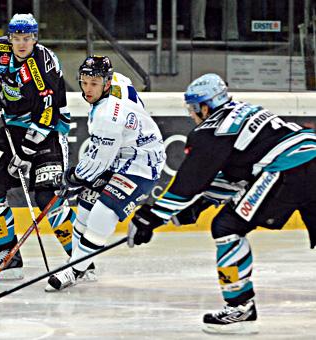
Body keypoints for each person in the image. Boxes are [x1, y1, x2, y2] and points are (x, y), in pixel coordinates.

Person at [128, 73, 316, 334]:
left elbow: (188, 183)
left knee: (227, 226)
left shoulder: (211, 129)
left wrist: (150, 217)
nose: (193, 115)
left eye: (193, 109)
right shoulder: (245, 111)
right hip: (310, 152)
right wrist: (196, 207)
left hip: (289, 167)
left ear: (204, 106)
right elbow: (233, 176)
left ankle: (240, 307)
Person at [0, 13, 76, 279]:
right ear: (9, 37)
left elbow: (47, 115)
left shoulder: (42, 66)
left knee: (47, 196)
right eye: (17, 38)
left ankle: (79, 258)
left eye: (27, 38)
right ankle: (8, 252)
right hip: (13, 126)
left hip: (48, 130)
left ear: (35, 38)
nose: (22, 44)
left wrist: (25, 153)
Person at [45, 55, 167, 291]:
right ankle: (83, 262)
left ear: (107, 83)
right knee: (84, 209)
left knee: (104, 210)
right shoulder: (119, 80)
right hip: (121, 153)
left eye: (94, 84)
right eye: (84, 82)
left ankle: (75, 269)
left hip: (142, 162)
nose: (88, 89)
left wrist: (72, 178)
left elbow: (97, 163)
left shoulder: (107, 116)